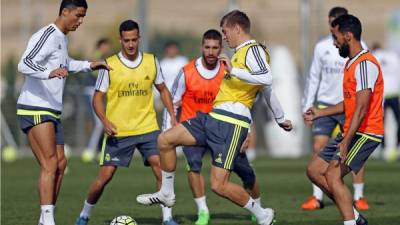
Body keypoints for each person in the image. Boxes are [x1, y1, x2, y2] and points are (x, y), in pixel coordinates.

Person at [137, 10, 292, 225]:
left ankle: (263, 215)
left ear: (237, 28)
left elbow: (266, 78)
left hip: (231, 122)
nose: (224, 36)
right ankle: (166, 193)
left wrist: (278, 116)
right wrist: (280, 117)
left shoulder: (253, 49)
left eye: (225, 31)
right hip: (214, 117)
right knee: (165, 139)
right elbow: (263, 85)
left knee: (219, 185)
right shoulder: (239, 53)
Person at [75, 20, 179, 225]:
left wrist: (173, 117)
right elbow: (97, 98)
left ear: (139, 38)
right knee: (105, 177)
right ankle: (84, 214)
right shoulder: (109, 64)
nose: (130, 44)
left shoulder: (151, 60)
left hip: (148, 128)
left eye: (134, 40)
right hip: (119, 131)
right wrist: (104, 121)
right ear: (120, 40)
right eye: (126, 40)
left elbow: (163, 90)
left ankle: (168, 219)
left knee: (161, 170)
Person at [16, 1, 110, 225]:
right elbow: (24, 63)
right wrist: (50, 73)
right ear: (65, 11)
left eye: (83, 16)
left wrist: (89, 65)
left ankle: (44, 218)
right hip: (35, 106)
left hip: (51, 109)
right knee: (50, 163)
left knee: (60, 164)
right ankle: (48, 220)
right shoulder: (48, 34)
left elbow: (65, 64)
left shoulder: (62, 39)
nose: (80, 21)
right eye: (78, 15)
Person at [305, 14, 384, 225]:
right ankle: (355, 217)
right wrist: (320, 112)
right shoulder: (351, 63)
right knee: (313, 171)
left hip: (366, 132)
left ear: (348, 36)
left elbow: (361, 107)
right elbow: (350, 104)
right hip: (352, 130)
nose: (334, 41)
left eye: (336, 36)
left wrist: (346, 140)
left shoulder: (366, 64)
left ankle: (350, 222)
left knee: (332, 176)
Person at [81, 38, 113, 162]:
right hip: (91, 92)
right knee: (99, 123)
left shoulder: (102, 57)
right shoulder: (97, 57)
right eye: (106, 46)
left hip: (97, 93)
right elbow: (96, 74)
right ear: (100, 46)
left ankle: (98, 150)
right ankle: (90, 151)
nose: (108, 48)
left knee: (100, 123)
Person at [372, 43, 400, 161]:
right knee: (398, 120)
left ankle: (382, 147)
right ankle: (398, 146)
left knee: (380, 122)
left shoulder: (373, 56)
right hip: (394, 92)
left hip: (381, 94)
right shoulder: (393, 56)